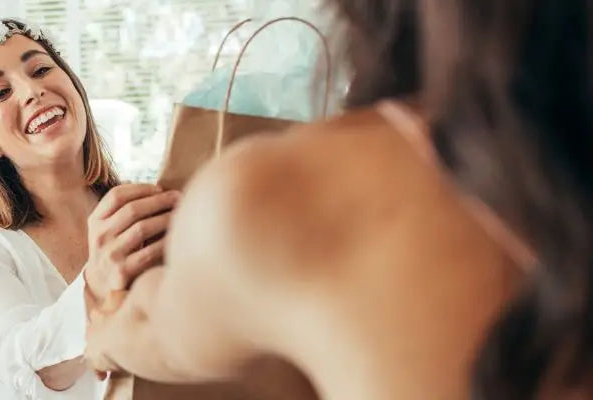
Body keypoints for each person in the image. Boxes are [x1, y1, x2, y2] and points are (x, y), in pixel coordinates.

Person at [84, 0, 593, 399]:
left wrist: (103, 320)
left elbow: (151, 329)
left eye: (39, 70)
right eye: (0, 91)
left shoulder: (285, 194)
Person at [0, 19, 179, 399]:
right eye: (0, 92)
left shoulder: (139, 212)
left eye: (42, 69)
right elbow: (30, 364)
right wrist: (97, 285)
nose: (33, 90)